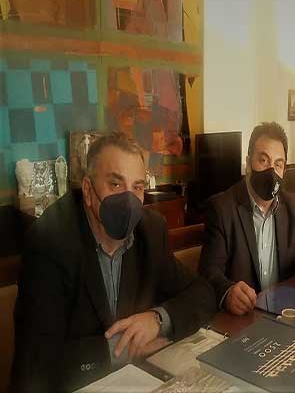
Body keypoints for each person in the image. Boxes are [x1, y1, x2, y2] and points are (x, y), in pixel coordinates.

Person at [11, 132, 217, 392]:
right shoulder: (49, 242)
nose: (128, 200)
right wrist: (123, 348)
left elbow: (202, 293)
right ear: (88, 191)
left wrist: (156, 320)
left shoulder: (150, 231)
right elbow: (37, 361)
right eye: (116, 184)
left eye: (137, 187)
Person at [198, 122, 295, 315]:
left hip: (284, 312)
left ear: (284, 170)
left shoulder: (293, 206)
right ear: (248, 164)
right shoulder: (222, 208)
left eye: (278, 164)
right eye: (263, 160)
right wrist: (227, 292)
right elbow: (208, 272)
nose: (271, 171)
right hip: (243, 317)